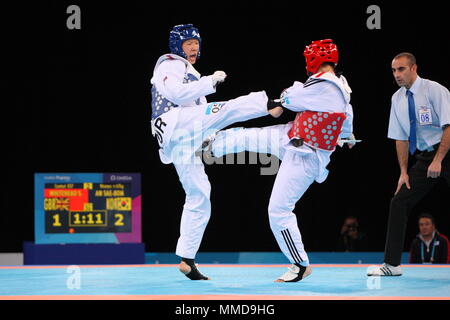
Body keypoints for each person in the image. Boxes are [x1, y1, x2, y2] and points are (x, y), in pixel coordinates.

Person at [204, 39, 357, 282]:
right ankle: (208, 143)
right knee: (249, 137)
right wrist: (347, 136)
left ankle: (300, 264)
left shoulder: (323, 84)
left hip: (305, 156)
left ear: (312, 61)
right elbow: (347, 118)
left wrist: (287, 96)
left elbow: (289, 98)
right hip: (293, 136)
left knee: (278, 210)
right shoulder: (341, 85)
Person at [150, 24, 283, 280]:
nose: (193, 47)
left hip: (182, 138)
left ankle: (187, 259)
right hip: (173, 122)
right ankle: (268, 103)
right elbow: (176, 94)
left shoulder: (192, 73)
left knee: (199, 193)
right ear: (177, 45)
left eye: (196, 43)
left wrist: (204, 85)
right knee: (226, 110)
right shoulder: (169, 63)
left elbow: (199, 111)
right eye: (188, 43)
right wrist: (210, 81)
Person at [368, 52, 450, 276]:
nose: (397, 74)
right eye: (394, 70)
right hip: (425, 157)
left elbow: (449, 126)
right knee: (399, 201)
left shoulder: (434, 90)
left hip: (446, 149)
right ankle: (392, 265)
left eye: (401, 69)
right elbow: (400, 137)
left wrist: (439, 159)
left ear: (414, 68)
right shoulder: (397, 99)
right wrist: (403, 172)